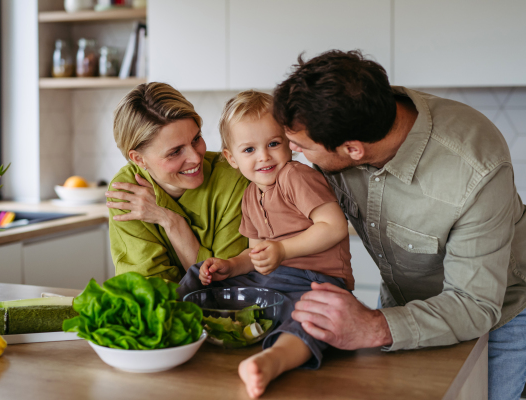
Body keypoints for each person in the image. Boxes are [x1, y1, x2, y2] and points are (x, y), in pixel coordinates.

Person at [271, 49, 526, 400]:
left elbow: (475, 303)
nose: (296, 155)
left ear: (353, 150)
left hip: (498, 314)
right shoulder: (349, 121)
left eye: (302, 148)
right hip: (402, 304)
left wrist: (375, 326)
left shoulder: (475, 170)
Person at [177, 90, 353, 398]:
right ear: (231, 158)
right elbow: (256, 253)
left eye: (273, 143)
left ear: (289, 143)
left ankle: (271, 361)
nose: (264, 156)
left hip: (316, 280)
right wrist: (231, 265)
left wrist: (283, 250)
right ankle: (169, 321)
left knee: (311, 319)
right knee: (199, 274)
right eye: (249, 149)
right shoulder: (249, 195)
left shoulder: (294, 176)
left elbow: (335, 227)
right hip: (272, 278)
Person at [106, 82, 248, 281]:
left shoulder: (232, 178)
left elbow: (226, 285)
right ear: (138, 159)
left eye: (196, 139)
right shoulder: (127, 189)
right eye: (175, 152)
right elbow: (149, 289)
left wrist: (170, 220)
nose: (196, 158)